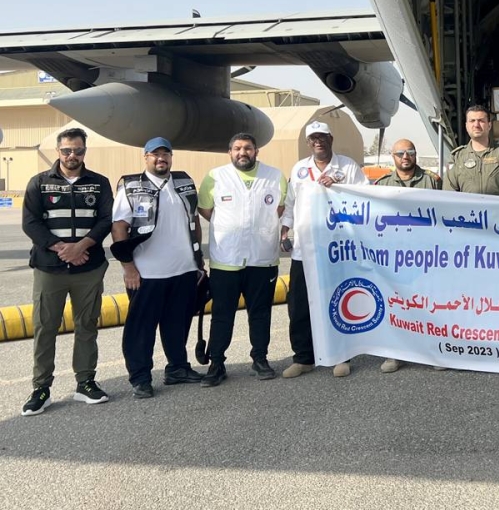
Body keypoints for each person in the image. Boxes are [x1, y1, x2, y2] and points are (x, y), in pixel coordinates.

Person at [20, 127, 113, 415]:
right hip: (50, 268)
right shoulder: (39, 183)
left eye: (78, 150)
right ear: (58, 151)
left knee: (87, 325)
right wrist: (62, 248)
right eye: (67, 150)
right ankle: (41, 388)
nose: (72, 155)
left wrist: (81, 246)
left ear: (85, 151)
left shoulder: (99, 183)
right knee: (45, 327)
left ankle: (85, 382)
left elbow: (106, 219)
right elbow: (30, 222)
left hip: (89, 267)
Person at [110, 137, 206, 398]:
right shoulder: (131, 186)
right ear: (146, 157)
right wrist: (129, 268)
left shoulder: (184, 182)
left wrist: (198, 261)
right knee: (141, 330)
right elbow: (119, 228)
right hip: (147, 273)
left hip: (184, 270)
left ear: (171, 157)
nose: (161, 158)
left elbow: (194, 221)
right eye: (155, 154)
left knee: (178, 325)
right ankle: (140, 377)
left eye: (166, 154)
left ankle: (178, 368)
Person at [198, 133, 287, 387]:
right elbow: (206, 209)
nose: (242, 152)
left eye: (248, 148)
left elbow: (280, 208)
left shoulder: (275, 176)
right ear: (229, 152)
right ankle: (216, 363)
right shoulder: (216, 176)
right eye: (237, 148)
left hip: (262, 259)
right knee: (222, 314)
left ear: (256, 151)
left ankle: (260, 359)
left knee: (260, 313)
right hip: (226, 260)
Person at [280, 121, 366, 380]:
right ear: (308, 143)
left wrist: (338, 185)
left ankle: (341, 356)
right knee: (299, 305)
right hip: (304, 249)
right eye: (313, 138)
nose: (318, 141)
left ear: (331, 139)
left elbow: (364, 198)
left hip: (336, 249)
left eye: (322, 137)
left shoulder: (348, 166)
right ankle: (303, 358)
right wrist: (284, 230)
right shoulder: (299, 169)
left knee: (338, 302)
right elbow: (290, 204)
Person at [374, 138, 443, 372]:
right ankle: (395, 353)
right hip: (395, 258)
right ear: (392, 156)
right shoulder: (381, 184)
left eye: (410, 152)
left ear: (416, 155)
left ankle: (435, 353)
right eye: (400, 153)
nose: (405, 157)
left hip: (427, 256)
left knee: (431, 305)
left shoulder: (432, 181)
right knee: (396, 305)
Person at [445, 105, 499, 196]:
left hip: (498, 205)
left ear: (489, 125)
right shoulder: (457, 157)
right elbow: (449, 192)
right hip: (467, 206)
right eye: (472, 121)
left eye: (481, 121)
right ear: (466, 126)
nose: (476, 125)